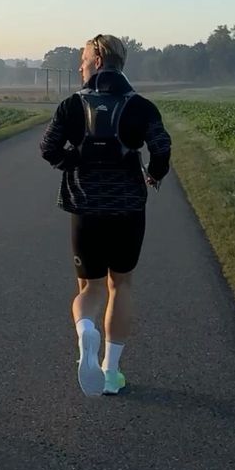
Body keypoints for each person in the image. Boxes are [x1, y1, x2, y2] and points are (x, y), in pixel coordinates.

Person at [40, 34, 171, 397]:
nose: (79, 66)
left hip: (85, 207)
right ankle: (111, 372)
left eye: (82, 59)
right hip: (128, 208)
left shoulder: (70, 105)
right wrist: (154, 176)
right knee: (121, 285)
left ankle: (86, 331)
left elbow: (47, 148)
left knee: (90, 287)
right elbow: (161, 147)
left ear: (98, 59)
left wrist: (73, 162)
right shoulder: (141, 106)